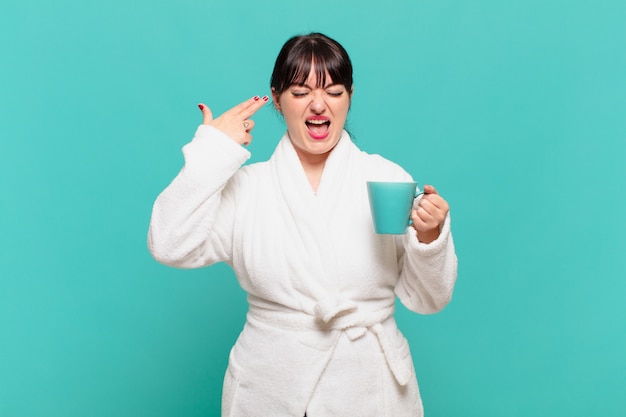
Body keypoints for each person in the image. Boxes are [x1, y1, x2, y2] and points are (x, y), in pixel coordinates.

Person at [148, 32, 457, 417]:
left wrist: (429, 238)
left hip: (367, 389)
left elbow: (428, 298)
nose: (318, 105)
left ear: (350, 96)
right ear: (276, 98)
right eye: (300, 92)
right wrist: (212, 153)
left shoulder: (385, 178)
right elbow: (168, 243)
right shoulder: (245, 189)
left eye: (334, 91)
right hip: (269, 387)